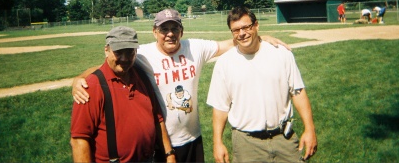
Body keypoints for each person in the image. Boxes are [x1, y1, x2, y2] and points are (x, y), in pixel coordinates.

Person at [72, 8, 289, 163]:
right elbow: (110, 65)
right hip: (162, 143)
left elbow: (229, 44)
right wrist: (78, 79)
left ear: (181, 31)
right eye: (163, 29)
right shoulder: (143, 54)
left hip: (193, 138)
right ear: (155, 32)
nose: (169, 34)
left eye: (174, 28)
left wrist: (259, 38)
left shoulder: (195, 47)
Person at [207, 6, 318, 163]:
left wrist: (310, 129)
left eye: (246, 27)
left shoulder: (281, 53)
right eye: (236, 30)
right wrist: (217, 143)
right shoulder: (224, 63)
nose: (242, 33)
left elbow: (298, 92)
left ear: (256, 25)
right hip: (246, 143)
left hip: (284, 139)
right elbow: (220, 107)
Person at [70, 26, 176, 163]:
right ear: (106, 50)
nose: (125, 59)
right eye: (119, 52)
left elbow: (157, 118)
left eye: (130, 52)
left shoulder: (141, 76)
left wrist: (169, 154)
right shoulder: (91, 86)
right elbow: (79, 140)